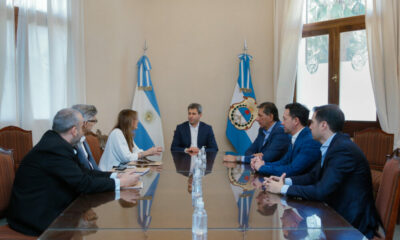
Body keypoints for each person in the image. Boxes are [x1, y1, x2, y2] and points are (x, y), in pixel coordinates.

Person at [6, 108, 140, 236]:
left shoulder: (58, 143)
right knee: (99, 229)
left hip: (49, 206)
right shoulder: (54, 149)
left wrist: (116, 176)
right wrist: (120, 183)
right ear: (74, 130)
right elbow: (83, 184)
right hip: (35, 217)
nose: (85, 132)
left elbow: (86, 172)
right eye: (83, 127)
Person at [264, 104, 380, 239]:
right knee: (294, 229)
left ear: (323, 125)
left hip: (351, 224)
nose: (310, 126)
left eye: (312, 122)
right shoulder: (332, 145)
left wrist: (283, 189)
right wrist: (285, 181)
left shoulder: (342, 150)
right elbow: (313, 176)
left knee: (293, 234)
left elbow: (321, 191)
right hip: (334, 214)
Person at [252, 103, 321, 177]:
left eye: (285, 119)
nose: (282, 123)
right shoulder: (296, 137)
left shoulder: (310, 142)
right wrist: (263, 163)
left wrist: (262, 168)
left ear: (296, 121)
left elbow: (292, 169)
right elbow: (284, 162)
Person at [224, 102, 290, 163]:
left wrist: (237, 159)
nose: (256, 119)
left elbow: (267, 158)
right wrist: (258, 156)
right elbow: (249, 151)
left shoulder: (281, 131)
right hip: (261, 168)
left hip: (276, 173)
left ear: (270, 117)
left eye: (260, 116)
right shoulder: (262, 130)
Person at [72, 104, 100, 170]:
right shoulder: (73, 143)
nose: (94, 124)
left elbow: (93, 166)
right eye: (94, 121)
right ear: (85, 123)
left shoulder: (83, 139)